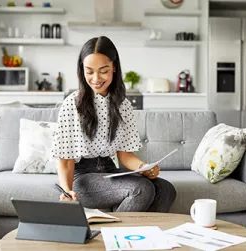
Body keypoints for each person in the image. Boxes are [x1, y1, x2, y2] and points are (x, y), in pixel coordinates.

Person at [51, 36, 176, 212]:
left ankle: (142, 234)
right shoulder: (72, 104)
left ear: (114, 68)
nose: (96, 78)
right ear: (82, 70)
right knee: (141, 189)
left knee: (166, 189)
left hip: (110, 171)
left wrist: (144, 168)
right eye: (89, 71)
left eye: (103, 71)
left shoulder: (122, 104)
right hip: (83, 178)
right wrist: (67, 191)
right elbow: (65, 161)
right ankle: (114, 236)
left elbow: (124, 154)